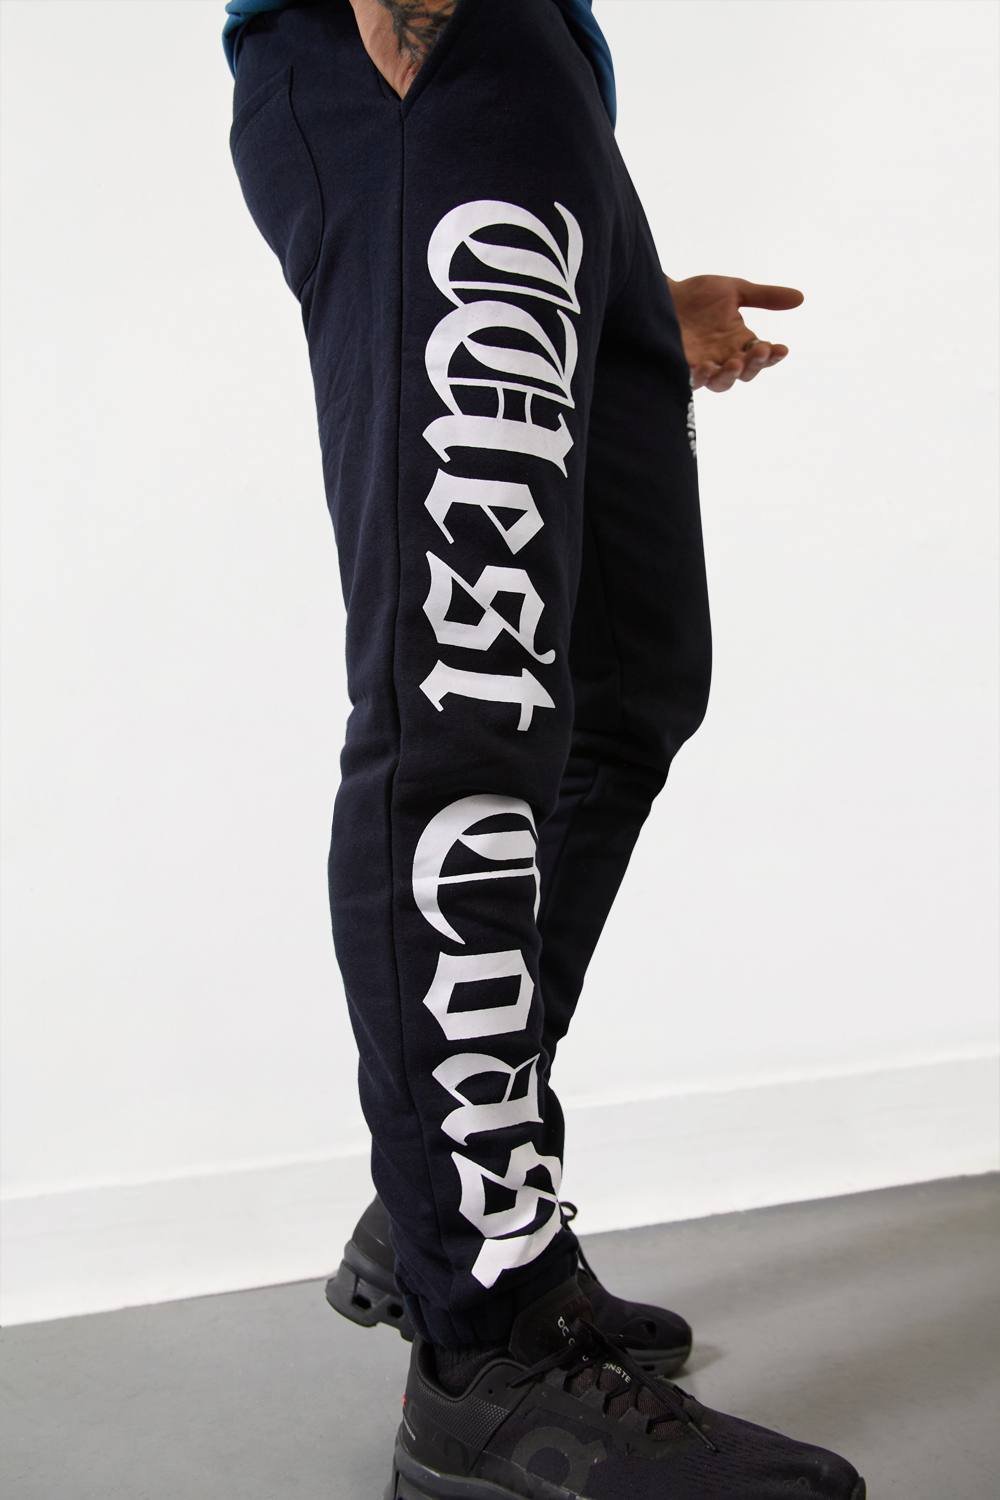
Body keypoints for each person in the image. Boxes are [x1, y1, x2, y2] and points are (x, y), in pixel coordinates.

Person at [224, 2, 865, 1494]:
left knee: (631, 690)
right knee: (468, 699)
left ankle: (448, 1194)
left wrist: (618, 295)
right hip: (430, 56)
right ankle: (483, 1344)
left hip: (542, 103)